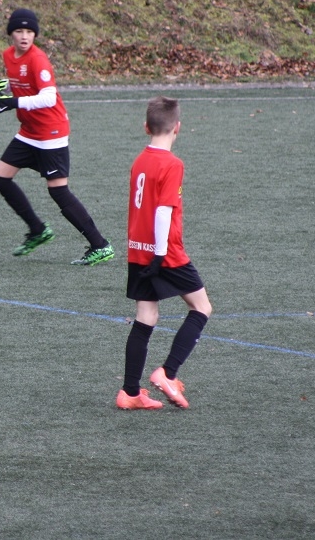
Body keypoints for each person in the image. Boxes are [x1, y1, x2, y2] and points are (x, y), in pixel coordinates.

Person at [0, 8, 114, 266]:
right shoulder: (9, 55)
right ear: (11, 34)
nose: (24, 36)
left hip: (50, 132)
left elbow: (48, 97)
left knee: (58, 191)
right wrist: (4, 87)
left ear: (35, 35)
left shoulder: (38, 59)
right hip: (29, 131)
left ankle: (100, 245)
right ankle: (37, 229)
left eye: (29, 31)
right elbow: (22, 82)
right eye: (19, 31)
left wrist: (13, 102)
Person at [116, 96, 213, 410]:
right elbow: (162, 211)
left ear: (146, 127)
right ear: (178, 128)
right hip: (165, 252)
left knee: (146, 316)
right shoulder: (172, 164)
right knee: (201, 307)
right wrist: (160, 255)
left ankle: (130, 393)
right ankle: (168, 373)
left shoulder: (139, 161)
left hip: (137, 249)